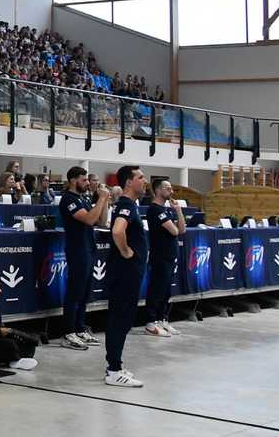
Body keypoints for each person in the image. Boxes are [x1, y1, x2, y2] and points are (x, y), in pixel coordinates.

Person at [105, 165, 149, 388]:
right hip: (124, 272)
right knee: (119, 319)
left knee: (122, 318)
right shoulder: (125, 204)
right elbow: (117, 231)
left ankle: (115, 365)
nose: (145, 181)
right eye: (141, 177)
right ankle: (113, 370)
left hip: (129, 273)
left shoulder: (130, 205)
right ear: (129, 182)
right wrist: (126, 252)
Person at [58, 166, 109, 351]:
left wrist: (105, 201)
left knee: (85, 292)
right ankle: (68, 332)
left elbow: (101, 222)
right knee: (75, 292)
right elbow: (88, 219)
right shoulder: (69, 200)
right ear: (73, 180)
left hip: (89, 248)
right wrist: (101, 199)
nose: (87, 183)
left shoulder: (84, 199)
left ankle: (80, 328)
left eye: (88, 179)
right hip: (77, 250)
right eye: (83, 179)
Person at [145, 177, 186, 339]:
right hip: (160, 255)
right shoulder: (155, 210)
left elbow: (181, 230)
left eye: (171, 188)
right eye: (167, 188)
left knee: (166, 290)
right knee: (157, 289)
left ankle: (161, 319)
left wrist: (178, 211)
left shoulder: (167, 209)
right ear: (158, 190)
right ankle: (150, 322)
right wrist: (175, 223)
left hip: (170, 255)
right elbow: (174, 231)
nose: (171, 191)